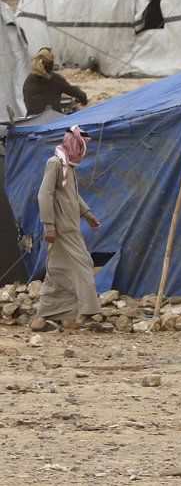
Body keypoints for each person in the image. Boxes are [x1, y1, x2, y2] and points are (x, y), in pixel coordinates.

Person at [30, 126, 101, 332]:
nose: (82, 149)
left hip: (71, 227)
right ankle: (85, 313)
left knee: (57, 273)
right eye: (81, 144)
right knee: (84, 265)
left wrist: (87, 214)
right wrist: (49, 225)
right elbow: (44, 194)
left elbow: (72, 196)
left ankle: (40, 320)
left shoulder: (67, 166)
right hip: (61, 229)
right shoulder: (55, 163)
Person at [22, 48, 89, 116]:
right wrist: (84, 99)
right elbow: (75, 92)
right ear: (51, 64)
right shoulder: (55, 79)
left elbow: (26, 101)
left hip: (32, 121)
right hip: (53, 123)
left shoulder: (28, 80)